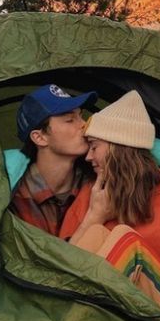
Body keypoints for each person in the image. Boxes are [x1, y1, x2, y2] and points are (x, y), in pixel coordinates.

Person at [59, 90, 160, 321]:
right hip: (130, 313)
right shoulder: (94, 197)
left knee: (129, 246)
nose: (88, 157)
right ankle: (60, 320)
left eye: (94, 146)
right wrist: (94, 216)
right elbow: (63, 268)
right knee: (98, 233)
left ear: (119, 146)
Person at [9, 83, 98, 237]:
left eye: (81, 115)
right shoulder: (16, 197)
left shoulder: (96, 182)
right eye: (70, 120)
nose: (84, 125)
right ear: (40, 137)